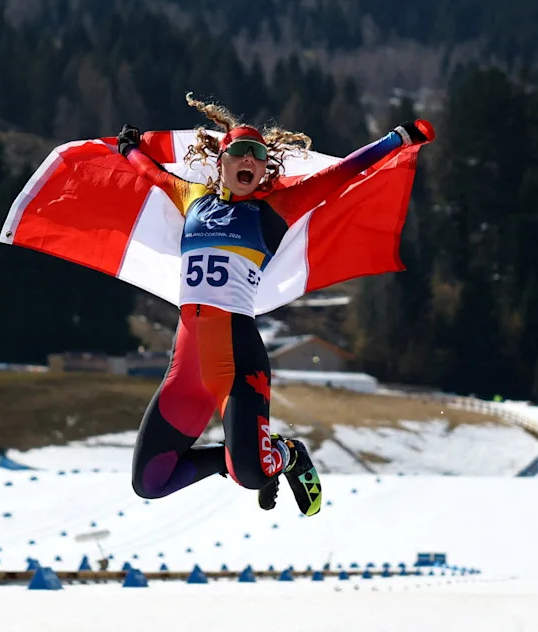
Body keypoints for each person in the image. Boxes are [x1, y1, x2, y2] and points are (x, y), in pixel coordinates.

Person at [118, 94, 434, 516]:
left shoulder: (274, 210)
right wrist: (130, 150)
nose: (249, 160)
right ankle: (236, 460)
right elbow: (153, 177)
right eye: (239, 153)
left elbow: (340, 174)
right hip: (186, 371)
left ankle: (286, 454)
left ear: (265, 169)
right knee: (149, 482)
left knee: (251, 474)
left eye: (258, 156)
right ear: (222, 162)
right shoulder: (192, 197)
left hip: (238, 365)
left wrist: (397, 139)